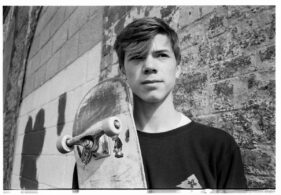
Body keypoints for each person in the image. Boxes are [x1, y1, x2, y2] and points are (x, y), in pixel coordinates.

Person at [113, 17, 247, 189]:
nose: (149, 66)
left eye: (161, 55)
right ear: (123, 71)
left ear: (178, 68)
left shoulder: (218, 147)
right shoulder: (102, 154)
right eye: (137, 57)